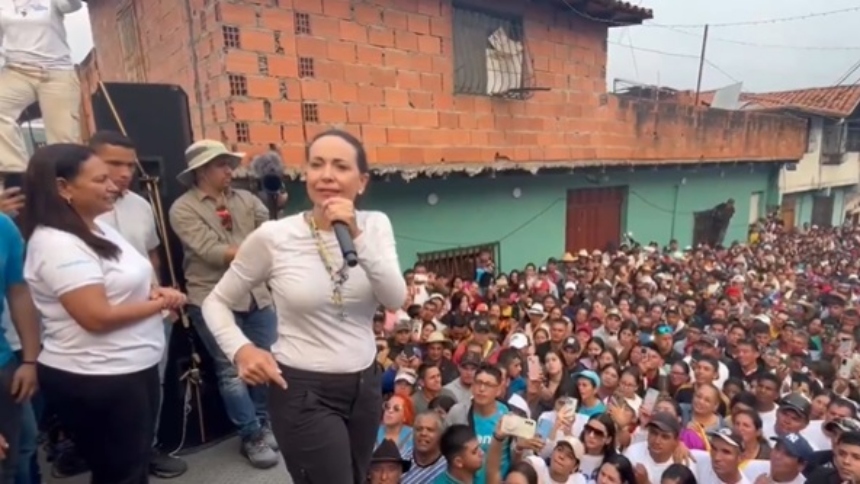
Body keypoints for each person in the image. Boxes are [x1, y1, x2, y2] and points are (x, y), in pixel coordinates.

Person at [200, 129, 407, 483]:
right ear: (306, 175)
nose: (327, 174)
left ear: (362, 181)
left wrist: (356, 235)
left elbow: (394, 298)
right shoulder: (274, 237)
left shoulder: (376, 225)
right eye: (317, 164)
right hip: (303, 390)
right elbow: (216, 301)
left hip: (365, 386)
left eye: (340, 166)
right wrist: (241, 349)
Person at [20, 143, 186, 484]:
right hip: (98, 377)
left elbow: (122, 280)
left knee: (132, 468)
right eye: (100, 180)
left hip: (130, 368)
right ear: (63, 187)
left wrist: (154, 291)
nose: (114, 186)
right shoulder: (58, 244)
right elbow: (95, 316)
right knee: (119, 474)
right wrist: (161, 304)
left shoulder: (98, 227)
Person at [169, 139, 280, 469]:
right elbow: (213, 252)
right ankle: (250, 435)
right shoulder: (183, 208)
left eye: (229, 163)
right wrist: (261, 247)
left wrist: (277, 209)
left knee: (265, 361)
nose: (230, 170)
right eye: (222, 165)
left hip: (257, 295)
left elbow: (272, 230)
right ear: (201, 171)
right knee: (231, 372)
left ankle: (261, 422)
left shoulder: (246, 199)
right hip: (212, 298)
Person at [89, 131, 188, 479]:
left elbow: (151, 255)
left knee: (153, 387)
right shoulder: (74, 211)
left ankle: (147, 451)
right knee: (110, 397)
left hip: (149, 315)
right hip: (101, 322)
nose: (124, 171)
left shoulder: (141, 205)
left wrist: (162, 297)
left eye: (129, 164)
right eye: (114, 163)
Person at [0, 0, 83, 175]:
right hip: (17, 71)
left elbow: (73, 5)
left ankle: (63, 178)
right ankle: (15, 171)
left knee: (63, 137)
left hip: (56, 73)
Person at [0, 209, 40, 484]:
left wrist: (29, 360)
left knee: (22, 447)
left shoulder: (3, 226)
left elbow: (18, 292)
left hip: (4, 361)